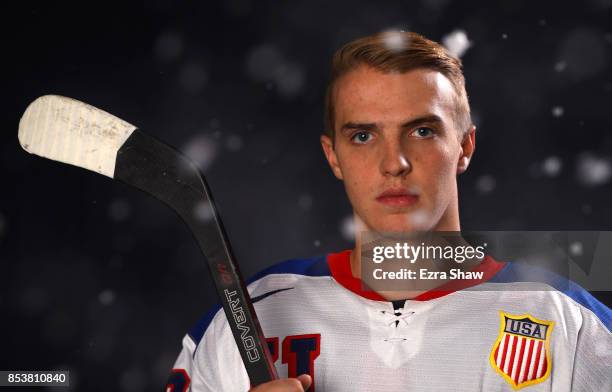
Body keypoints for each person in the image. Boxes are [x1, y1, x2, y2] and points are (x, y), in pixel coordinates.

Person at [166, 31, 611, 391]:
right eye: (363, 136)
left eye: (421, 130)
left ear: (464, 147)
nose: (393, 162)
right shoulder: (247, 318)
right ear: (333, 155)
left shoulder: (566, 322)